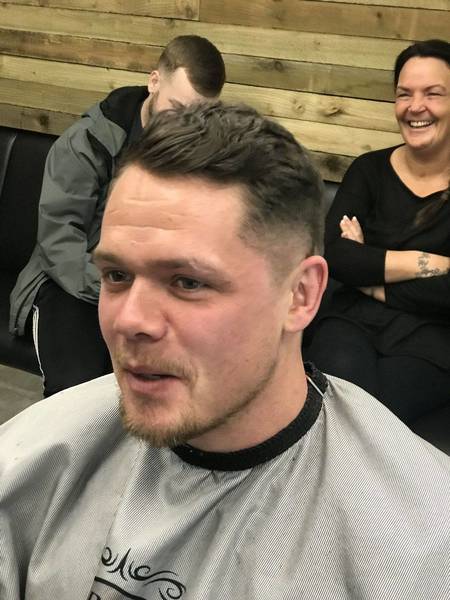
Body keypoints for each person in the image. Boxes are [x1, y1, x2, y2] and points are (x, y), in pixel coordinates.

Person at [0, 102, 449, 599]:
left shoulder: (418, 543)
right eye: (117, 275)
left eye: (188, 282)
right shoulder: (36, 455)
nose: (129, 320)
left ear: (300, 295)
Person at [9, 34, 226, 397]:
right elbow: (59, 240)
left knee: (182, 385)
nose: (183, 125)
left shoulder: (198, 150)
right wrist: (119, 289)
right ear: (154, 82)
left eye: (196, 115)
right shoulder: (89, 141)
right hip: (74, 281)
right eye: (176, 107)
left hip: (154, 281)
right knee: (76, 394)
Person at [306, 39, 450, 426]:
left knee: (372, 421)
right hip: (350, 320)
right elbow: (334, 254)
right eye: (404, 94)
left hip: (433, 340)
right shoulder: (369, 170)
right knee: (332, 406)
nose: (415, 106)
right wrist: (428, 263)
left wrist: (368, 273)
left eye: (433, 94)